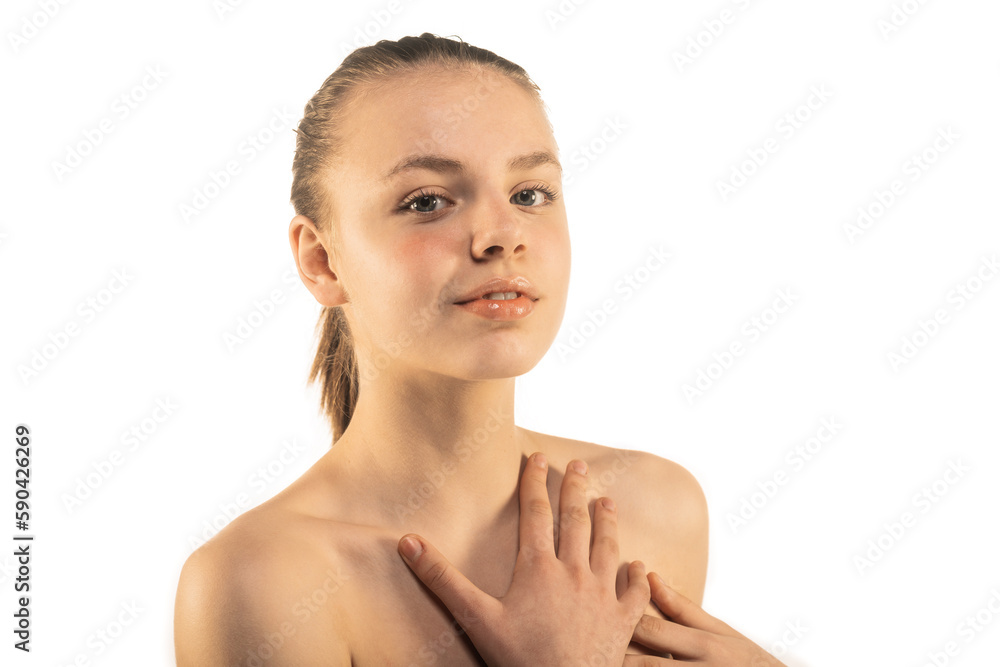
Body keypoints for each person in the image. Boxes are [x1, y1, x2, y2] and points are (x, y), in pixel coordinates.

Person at [173, 32, 786, 665]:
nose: (503, 235)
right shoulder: (259, 581)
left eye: (529, 194)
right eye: (427, 202)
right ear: (322, 260)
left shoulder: (655, 508)